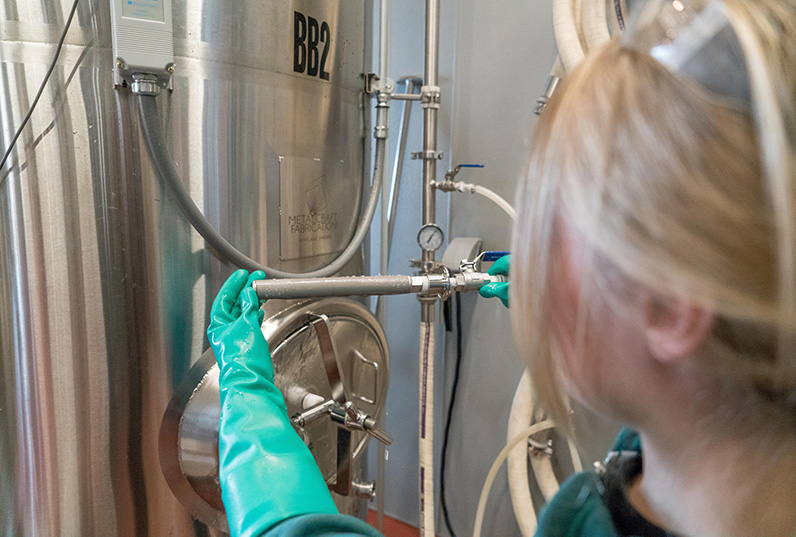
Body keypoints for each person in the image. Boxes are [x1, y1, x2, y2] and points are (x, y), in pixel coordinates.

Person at [207, 0, 796, 535]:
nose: (531, 260)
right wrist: (573, 303)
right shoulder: (708, 453)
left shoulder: (586, 522)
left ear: (670, 306)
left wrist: (251, 407)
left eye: (549, 237)